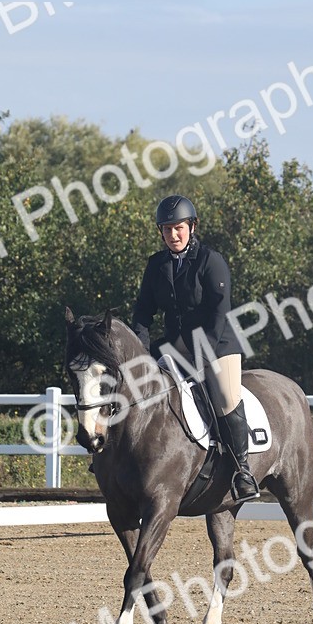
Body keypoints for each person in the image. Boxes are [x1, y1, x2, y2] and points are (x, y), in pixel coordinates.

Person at [132, 194, 261, 503]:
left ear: (191, 227)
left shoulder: (210, 260)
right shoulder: (156, 265)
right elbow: (142, 313)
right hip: (176, 346)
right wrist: (141, 354)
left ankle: (241, 471)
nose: (173, 235)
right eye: (166, 229)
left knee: (224, 396)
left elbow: (219, 313)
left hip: (219, 344)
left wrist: (202, 357)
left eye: (179, 228)